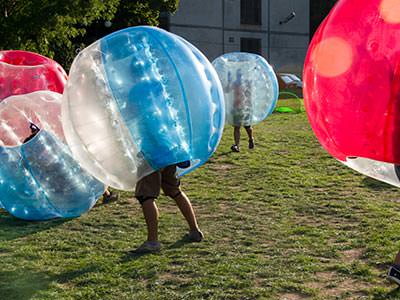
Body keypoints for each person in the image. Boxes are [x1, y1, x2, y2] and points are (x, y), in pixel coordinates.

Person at [133, 161, 203, 254]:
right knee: (175, 191)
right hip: (170, 156)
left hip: (151, 157)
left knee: (146, 197)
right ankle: (195, 231)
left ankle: (152, 242)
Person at [226, 70, 255, 153]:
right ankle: (237, 146)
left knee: (247, 127)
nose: (239, 76)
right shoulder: (234, 83)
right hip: (236, 107)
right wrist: (229, 81)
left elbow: (250, 93)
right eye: (238, 75)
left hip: (246, 107)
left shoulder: (247, 83)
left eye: (240, 75)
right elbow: (227, 90)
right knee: (237, 127)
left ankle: (251, 139)